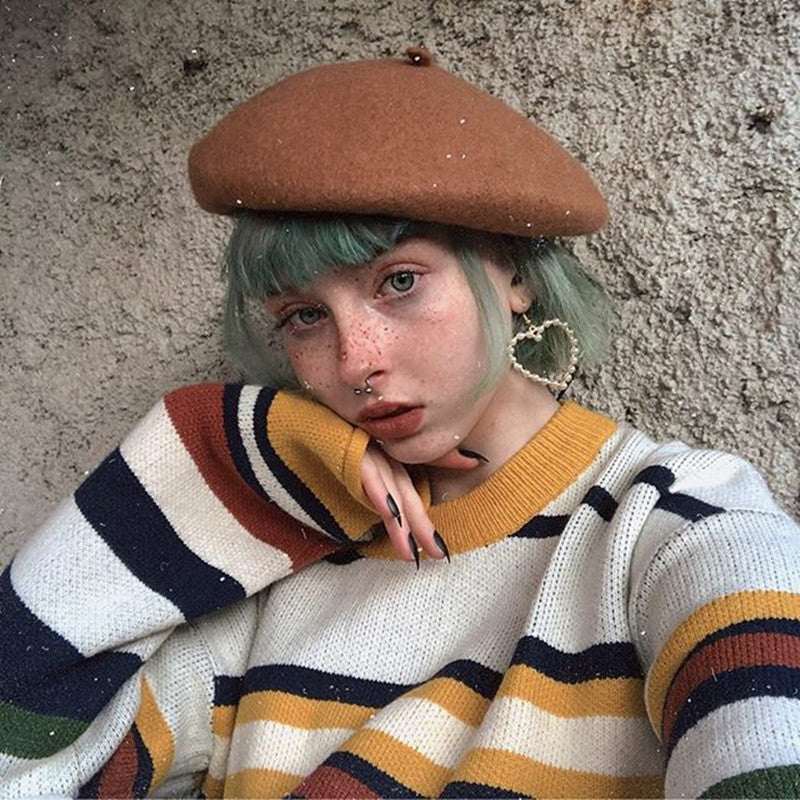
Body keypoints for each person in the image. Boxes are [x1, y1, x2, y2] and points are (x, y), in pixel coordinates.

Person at [1, 46, 798, 799]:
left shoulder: (670, 523)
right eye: (305, 316)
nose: (356, 362)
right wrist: (225, 452)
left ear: (513, 270)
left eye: (400, 281)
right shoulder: (273, 575)